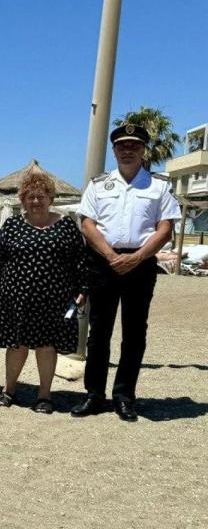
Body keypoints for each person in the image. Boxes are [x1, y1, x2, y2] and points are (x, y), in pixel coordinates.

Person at [71, 124, 181, 421]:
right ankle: (94, 395)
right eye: (122, 145)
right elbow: (87, 224)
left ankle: (123, 396)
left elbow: (166, 228)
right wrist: (110, 255)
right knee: (99, 332)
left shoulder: (159, 186)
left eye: (134, 145)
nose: (128, 149)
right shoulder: (98, 185)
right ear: (114, 149)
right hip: (103, 264)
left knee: (134, 333)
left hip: (141, 264)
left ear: (143, 150)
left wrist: (137, 258)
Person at [0, 172, 87, 413]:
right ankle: (8, 390)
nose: (36, 201)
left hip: (54, 297)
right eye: (30, 197)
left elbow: (80, 260)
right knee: (17, 346)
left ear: (51, 197)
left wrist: (83, 290)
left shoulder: (66, 226)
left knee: (47, 347)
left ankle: (44, 395)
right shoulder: (12, 225)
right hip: (16, 296)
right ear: (22, 200)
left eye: (41, 196)